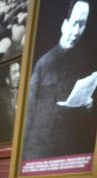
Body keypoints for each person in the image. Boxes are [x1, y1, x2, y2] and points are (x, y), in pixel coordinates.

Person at [23, 0, 97, 161]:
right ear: (64, 25)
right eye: (74, 23)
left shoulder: (85, 62)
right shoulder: (44, 64)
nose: (77, 31)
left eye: (82, 25)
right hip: (41, 154)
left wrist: (88, 106)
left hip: (70, 154)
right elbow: (28, 116)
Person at [0, 60, 22, 145]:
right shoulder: (2, 97)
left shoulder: (21, 91)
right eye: (15, 73)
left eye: (19, 71)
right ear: (7, 79)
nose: (19, 75)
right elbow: (13, 123)